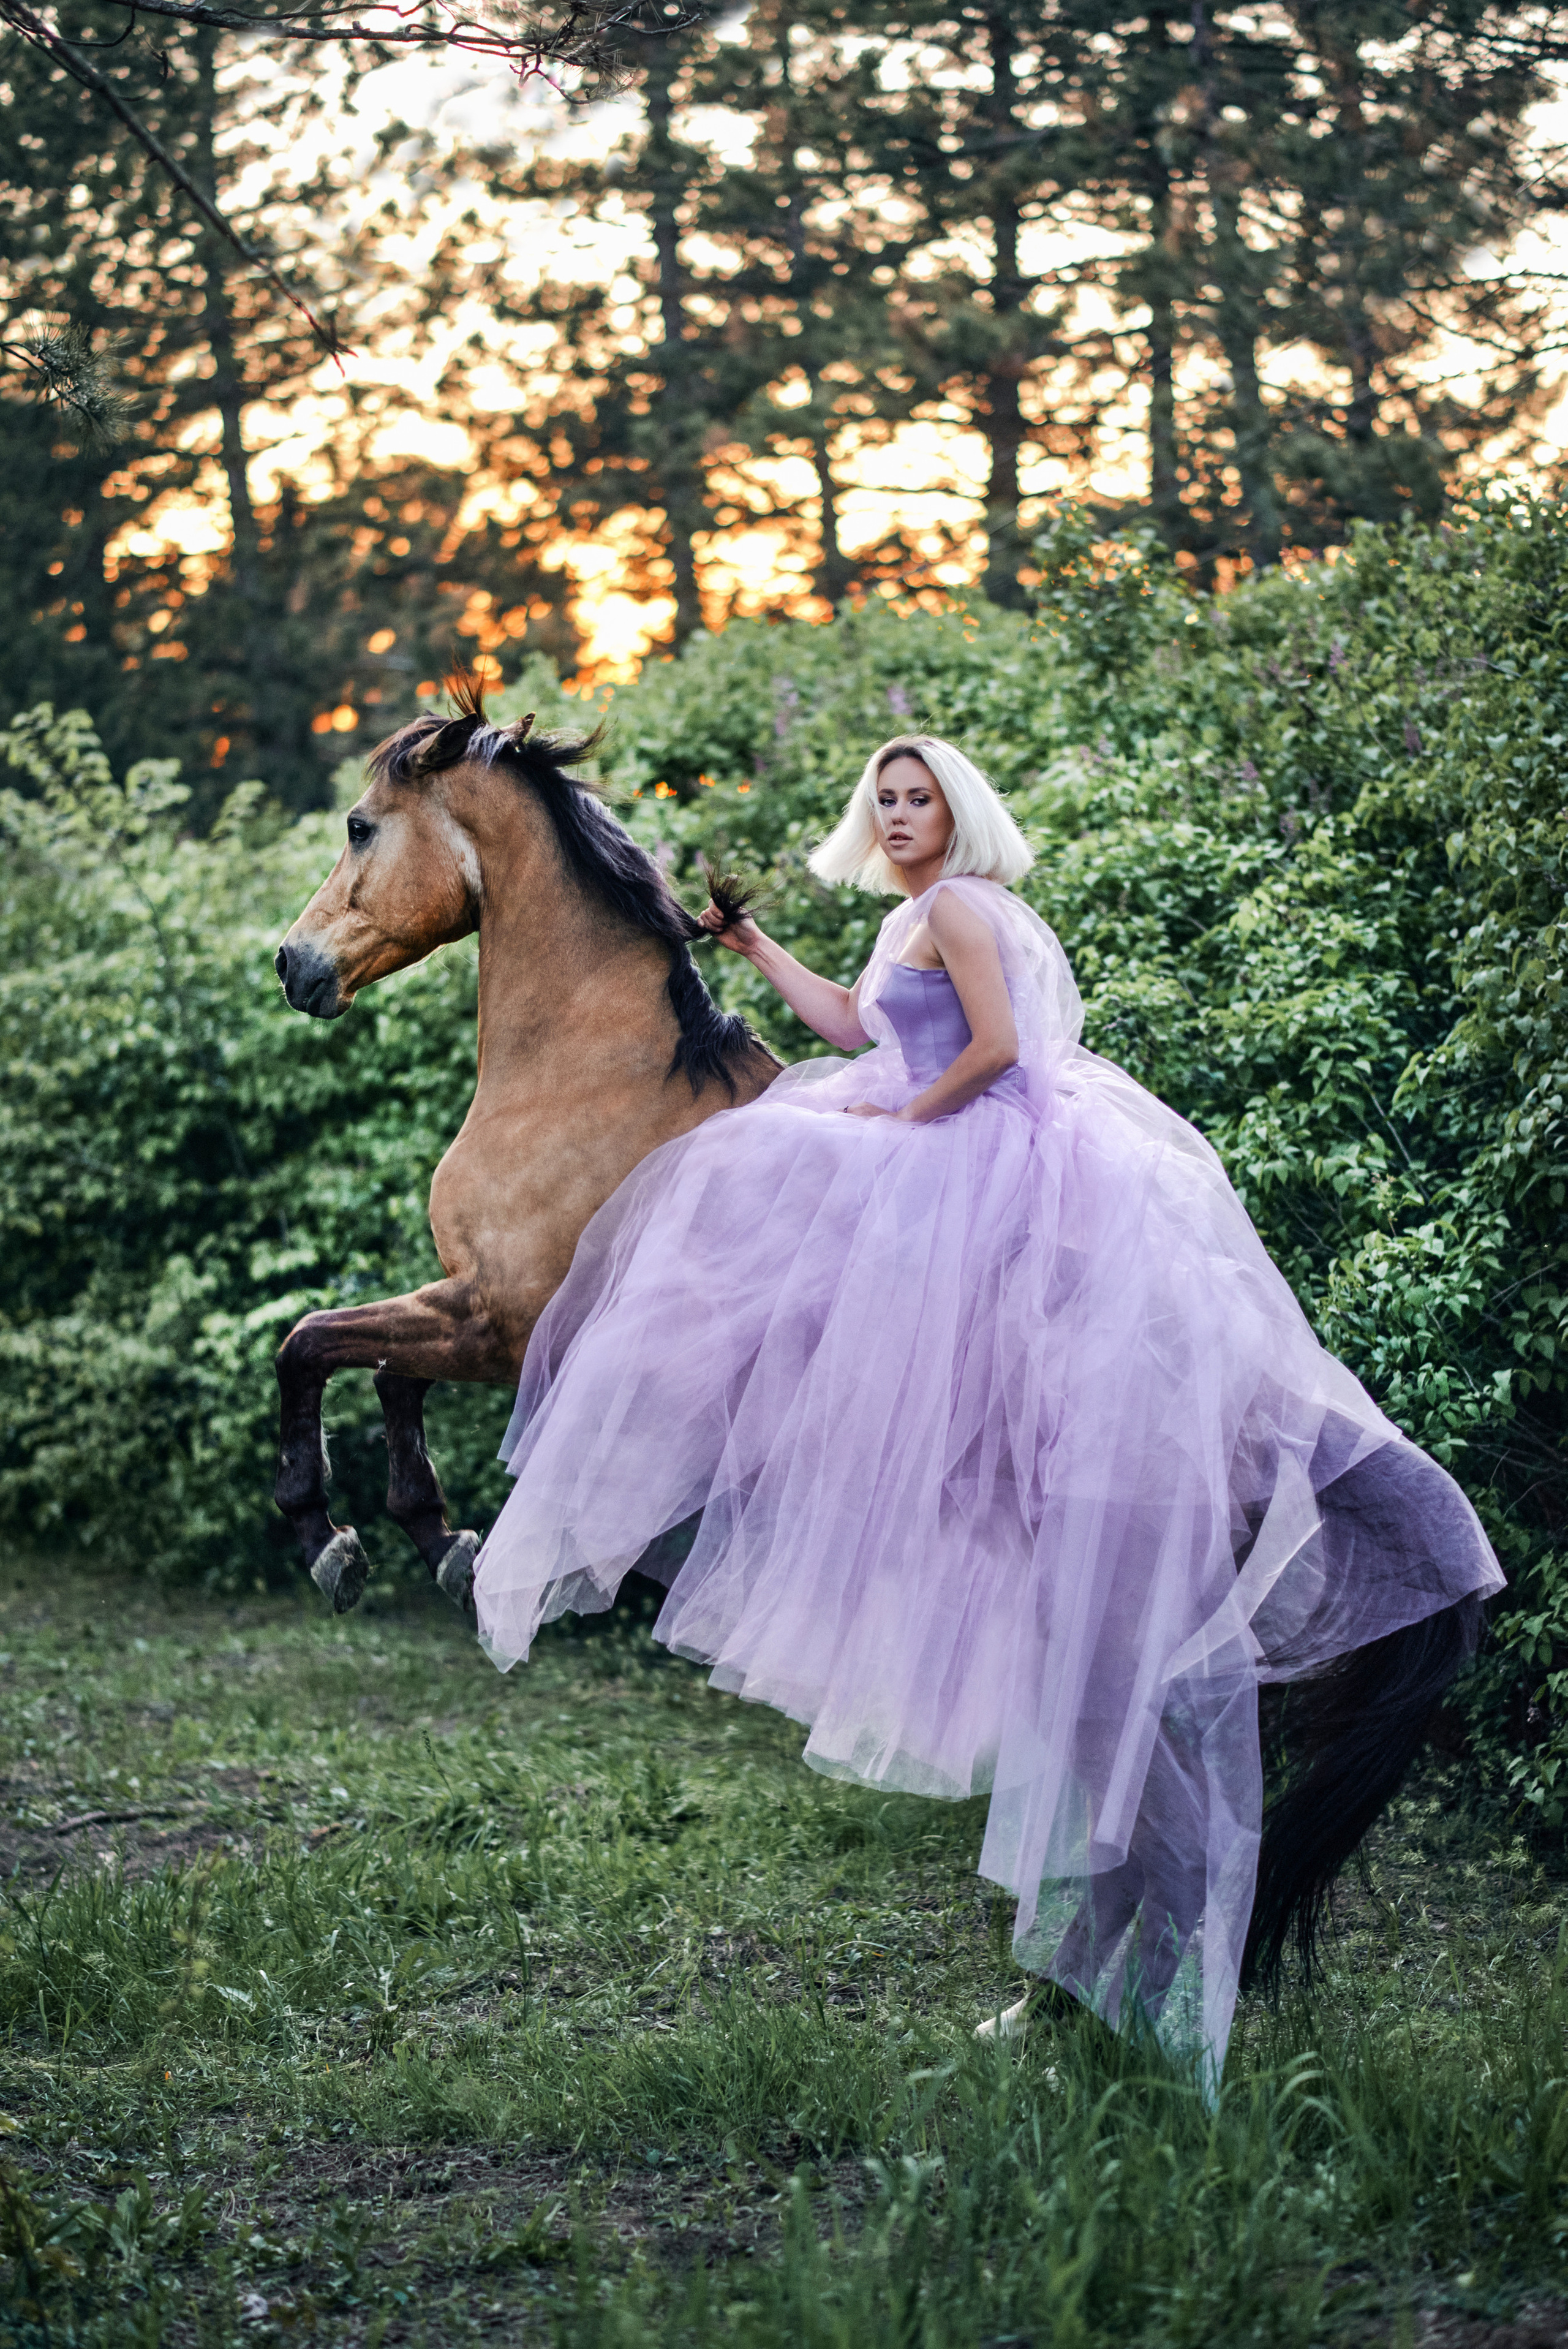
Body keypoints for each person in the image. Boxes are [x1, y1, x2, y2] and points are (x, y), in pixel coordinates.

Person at [471, 733, 1502, 2077]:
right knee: (798, 1189)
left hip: (983, 1176)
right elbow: (853, 1025)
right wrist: (758, 949)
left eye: (918, 799)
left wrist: (902, 1126)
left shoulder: (960, 904)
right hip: (955, 1169)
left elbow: (1001, 1051)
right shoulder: (916, 915)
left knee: (776, 1192)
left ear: (958, 814)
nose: (898, 817)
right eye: (884, 800)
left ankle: (1124, 1952)